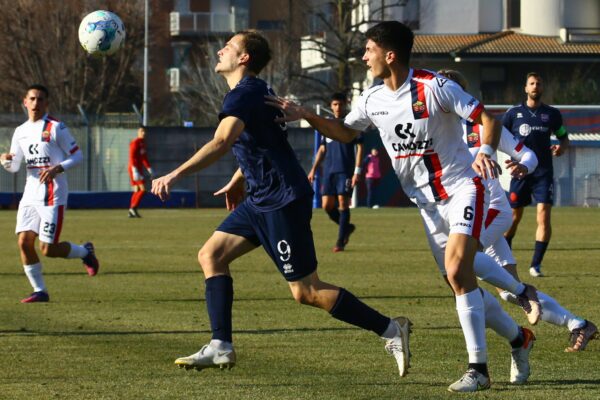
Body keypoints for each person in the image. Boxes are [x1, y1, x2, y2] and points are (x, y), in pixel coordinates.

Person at [266, 21, 542, 393]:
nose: (364, 57)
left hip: (462, 188)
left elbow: (487, 120)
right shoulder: (371, 98)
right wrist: (307, 115)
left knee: (458, 269)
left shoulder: (434, 87)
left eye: (368, 50)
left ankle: (479, 368)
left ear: (389, 54)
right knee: (459, 281)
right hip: (427, 207)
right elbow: (347, 132)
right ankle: (518, 337)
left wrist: (487, 153)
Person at [150, 30, 412, 377]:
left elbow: (222, 141)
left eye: (227, 47)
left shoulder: (243, 94)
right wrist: (240, 178)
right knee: (210, 255)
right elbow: (263, 142)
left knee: (306, 291)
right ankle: (220, 346)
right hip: (260, 198)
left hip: (281, 200)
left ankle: (391, 330)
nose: (219, 52)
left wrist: (174, 175)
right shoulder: (255, 91)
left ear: (244, 58)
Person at [439, 69, 598, 353]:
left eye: (443, 90)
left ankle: (501, 346)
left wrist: (524, 165)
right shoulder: (440, 131)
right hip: (470, 214)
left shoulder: (483, 126)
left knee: (459, 265)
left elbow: (528, 154)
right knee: (508, 290)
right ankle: (579, 324)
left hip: (492, 210)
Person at [0, 84, 100, 303]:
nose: (36, 103)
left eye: (41, 99)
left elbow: (78, 156)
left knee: (48, 248)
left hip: (53, 194)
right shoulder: (20, 131)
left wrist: (57, 168)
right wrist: (5, 161)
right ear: (25, 102)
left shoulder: (56, 128)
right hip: (30, 193)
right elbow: (15, 166)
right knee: (24, 242)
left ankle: (85, 252)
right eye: (32, 99)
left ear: (47, 103)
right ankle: (39, 290)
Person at [502, 72, 570, 277]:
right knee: (513, 217)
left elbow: (564, 138)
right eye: (531, 83)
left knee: (543, 216)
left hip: (543, 173)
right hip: (520, 173)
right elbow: (499, 138)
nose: (535, 87)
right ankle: (505, 258)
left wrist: (561, 148)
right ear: (525, 88)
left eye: (538, 84)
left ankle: (535, 265)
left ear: (542, 88)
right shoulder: (513, 114)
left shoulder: (552, 114)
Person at [307, 93, 363, 252]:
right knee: (326, 205)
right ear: (331, 106)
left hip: (345, 170)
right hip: (329, 171)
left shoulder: (352, 122)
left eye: (340, 104)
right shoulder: (329, 124)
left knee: (343, 203)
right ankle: (347, 228)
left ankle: (340, 241)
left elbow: (359, 147)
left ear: (345, 104)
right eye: (335, 104)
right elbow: (322, 149)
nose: (338, 107)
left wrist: (357, 171)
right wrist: (313, 169)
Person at [128, 126, 153, 218]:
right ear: (138, 133)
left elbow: (143, 158)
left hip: (138, 169)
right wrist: (134, 170)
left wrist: (149, 168)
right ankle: (133, 208)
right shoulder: (135, 143)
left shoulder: (142, 143)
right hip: (134, 169)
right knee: (143, 189)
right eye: (141, 131)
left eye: (144, 131)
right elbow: (131, 156)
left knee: (136, 190)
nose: (143, 133)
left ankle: (131, 210)